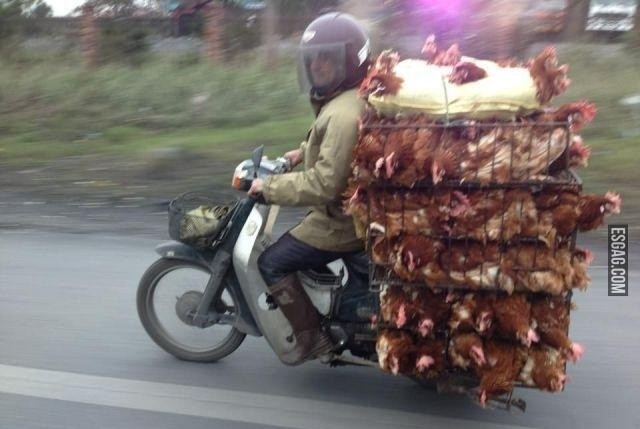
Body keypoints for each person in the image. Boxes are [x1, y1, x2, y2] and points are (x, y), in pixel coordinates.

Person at [247, 12, 371, 365]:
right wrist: (303, 151)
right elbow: (336, 148)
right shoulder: (349, 99)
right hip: (353, 210)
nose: (317, 65)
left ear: (350, 59)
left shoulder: (342, 114)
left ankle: (312, 338)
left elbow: (325, 184)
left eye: (327, 57)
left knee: (271, 261)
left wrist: (268, 187)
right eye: (313, 58)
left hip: (341, 220)